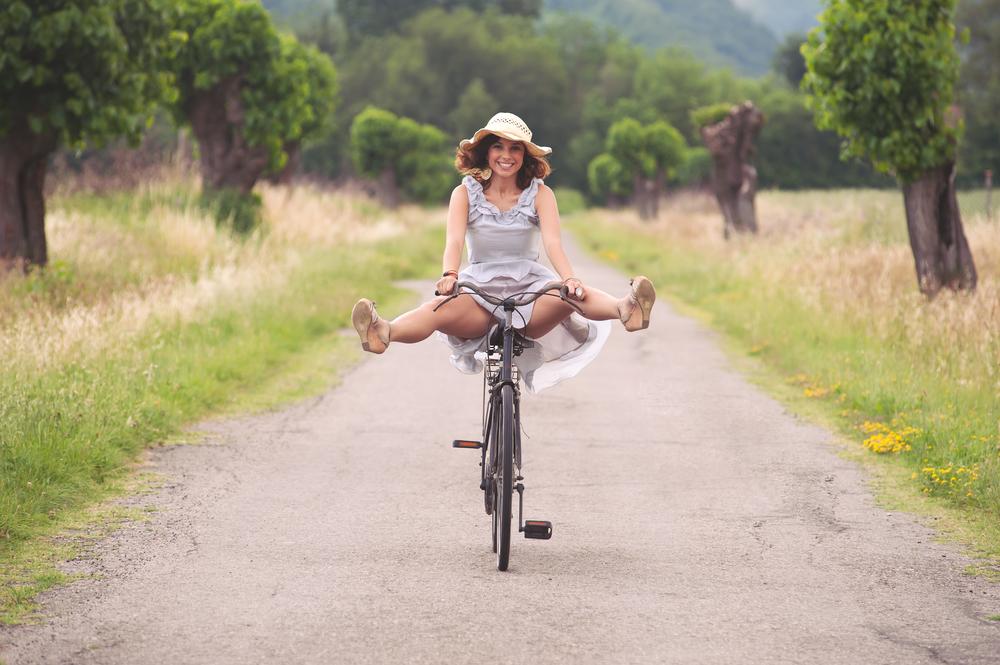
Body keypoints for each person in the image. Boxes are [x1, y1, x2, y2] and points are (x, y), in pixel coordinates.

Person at [351, 112, 655, 393]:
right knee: (435, 310)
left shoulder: (540, 194)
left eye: (515, 148)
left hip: (530, 294)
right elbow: (454, 241)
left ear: (525, 155)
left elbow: (553, 243)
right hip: (479, 292)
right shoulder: (464, 193)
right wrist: (450, 275)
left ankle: (626, 308)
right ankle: (383, 331)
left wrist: (569, 278)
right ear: (486, 152)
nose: (506, 156)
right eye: (498, 147)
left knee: (571, 294)